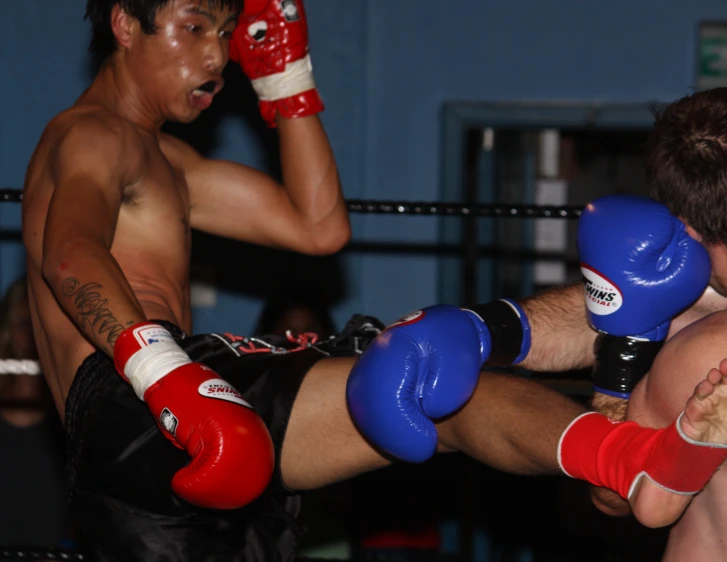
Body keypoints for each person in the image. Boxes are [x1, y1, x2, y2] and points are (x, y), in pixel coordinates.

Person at [19, 0, 727, 560]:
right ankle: (628, 459)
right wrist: (169, 380)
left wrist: (286, 79)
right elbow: (70, 257)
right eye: (195, 25)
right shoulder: (92, 135)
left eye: (229, 33)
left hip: (157, 399)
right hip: (139, 390)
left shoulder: (164, 161)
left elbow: (317, 225)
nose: (216, 55)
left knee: (435, 392)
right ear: (124, 23)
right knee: (439, 396)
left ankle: (629, 461)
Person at [0, 277, 72, 550]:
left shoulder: (71, 407)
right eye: (25, 326)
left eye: (42, 327)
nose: (33, 337)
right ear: (7, 328)